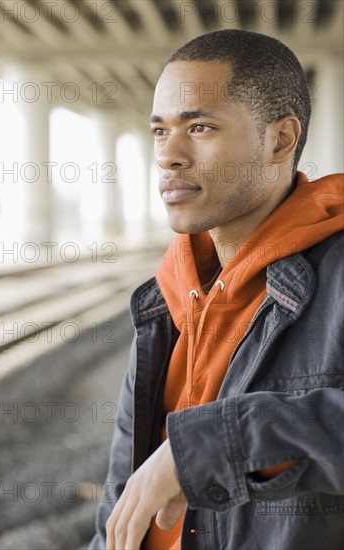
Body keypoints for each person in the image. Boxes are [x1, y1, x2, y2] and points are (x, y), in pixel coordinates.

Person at [89, 29, 343, 550]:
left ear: (281, 139)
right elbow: (120, 504)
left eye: (199, 127)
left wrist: (215, 443)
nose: (169, 156)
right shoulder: (165, 300)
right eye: (159, 131)